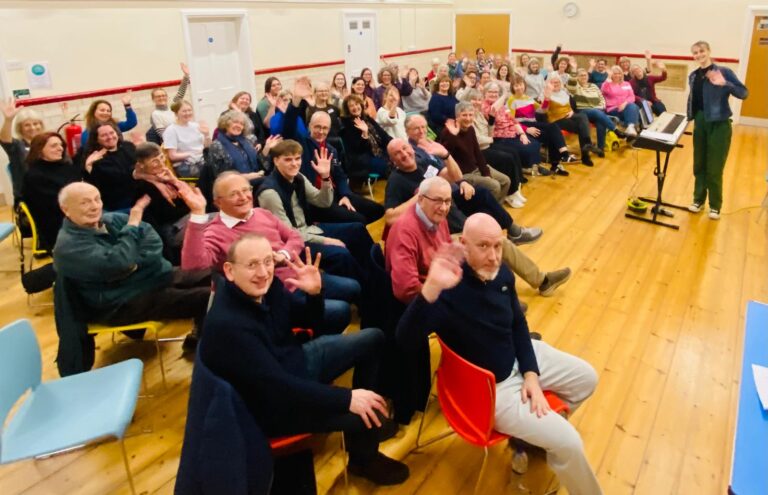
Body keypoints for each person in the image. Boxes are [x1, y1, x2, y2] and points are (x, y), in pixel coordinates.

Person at [397, 212, 600, 495]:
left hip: (518, 360)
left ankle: (527, 441)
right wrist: (430, 288)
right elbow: (404, 339)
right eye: (483, 247)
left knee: (587, 379)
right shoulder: (446, 289)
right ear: (464, 244)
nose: (493, 256)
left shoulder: (501, 272)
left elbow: (518, 324)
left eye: (498, 246)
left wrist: (531, 374)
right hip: (494, 389)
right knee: (571, 443)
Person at [198, 234, 409, 485]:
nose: (263, 272)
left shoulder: (269, 287)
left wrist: (314, 295)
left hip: (293, 365)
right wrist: (347, 398)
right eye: (252, 264)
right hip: (268, 406)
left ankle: (367, 426)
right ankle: (364, 456)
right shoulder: (228, 326)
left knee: (373, 339)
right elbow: (276, 388)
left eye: (267, 261)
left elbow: (310, 324)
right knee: (363, 412)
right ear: (230, 271)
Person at [180, 172, 360, 335]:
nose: (243, 197)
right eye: (234, 194)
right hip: (273, 296)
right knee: (340, 310)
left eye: (246, 190)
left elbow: (294, 237)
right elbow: (193, 264)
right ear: (218, 202)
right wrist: (197, 214)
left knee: (353, 287)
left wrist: (284, 254)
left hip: (298, 275)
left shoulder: (261, 213)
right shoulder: (215, 232)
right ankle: (307, 342)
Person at [53, 182, 209, 360]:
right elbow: (120, 263)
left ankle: (199, 337)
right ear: (65, 209)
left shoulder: (112, 220)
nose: (94, 206)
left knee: (216, 278)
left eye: (97, 199)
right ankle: (205, 353)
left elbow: (152, 240)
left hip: (152, 278)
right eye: (85, 202)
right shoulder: (68, 247)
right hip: (121, 302)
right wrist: (132, 226)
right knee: (208, 297)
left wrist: (132, 265)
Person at [387, 134, 542, 246]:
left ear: (411, 148)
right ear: (393, 161)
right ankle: (485, 243)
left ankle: (514, 232)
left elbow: (454, 176)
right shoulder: (396, 181)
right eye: (397, 153)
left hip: (451, 199)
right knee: (470, 220)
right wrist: (423, 195)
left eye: (405, 148)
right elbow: (390, 218)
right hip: (436, 214)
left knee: (482, 195)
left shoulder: (423, 162)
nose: (404, 154)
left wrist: (446, 156)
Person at [257, 139, 373, 283]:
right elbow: (289, 234)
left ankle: (372, 276)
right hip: (294, 244)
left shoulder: (298, 177)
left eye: (297, 158)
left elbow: (323, 202)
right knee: (341, 254)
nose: (294, 163)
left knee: (357, 229)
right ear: (276, 161)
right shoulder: (269, 193)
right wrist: (327, 240)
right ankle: (364, 290)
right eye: (288, 160)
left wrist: (325, 177)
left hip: (309, 230)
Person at [284, 78, 384, 225]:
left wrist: (345, 195)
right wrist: (296, 101)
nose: (321, 131)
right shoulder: (302, 145)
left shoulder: (331, 149)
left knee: (377, 210)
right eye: (317, 127)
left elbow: (340, 175)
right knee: (359, 220)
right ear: (309, 126)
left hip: (336, 194)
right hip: (317, 199)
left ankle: (345, 230)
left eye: (325, 128)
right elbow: (288, 127)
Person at [687, 40, 748, 220]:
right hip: (700, 122)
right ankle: (698, 200)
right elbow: (694, 100)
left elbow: (743, 93)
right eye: (695, 52)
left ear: (709, 51)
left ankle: (715, 205)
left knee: (714, 166)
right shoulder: (693, 75)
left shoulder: (724, 72)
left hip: (719, 123)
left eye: (701, 51)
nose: (699, 55)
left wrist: (725, 84)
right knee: (699, 164)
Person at [441, 102, 513, 205]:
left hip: (476, 168)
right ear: (457, 116)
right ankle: (488, 211)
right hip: (462, 174)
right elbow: (445, 155)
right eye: (464, 115)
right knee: (495, 186)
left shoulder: (470, 129)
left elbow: (477, 152)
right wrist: (453, 136)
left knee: (506, 181)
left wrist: (486, 173)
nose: (468, 118)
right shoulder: (448, 132)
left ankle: (496, 209)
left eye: (471, 115)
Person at [132, 142, 193, 263]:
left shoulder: (165, 176)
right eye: (154, 161)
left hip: (183, 218)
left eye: (161, 157)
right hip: (171, 229)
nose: (161, 163)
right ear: (142, 165)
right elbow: (167, 214)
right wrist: (190, 206)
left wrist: (175, 182)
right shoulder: (144, 186)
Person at [22, 132, 84, 251]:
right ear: (40, 150)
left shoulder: (63, 166)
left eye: (61, 145)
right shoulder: (34, 176)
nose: (60, 148)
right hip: (57, 227)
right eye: (54, 146)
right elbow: (55, 206)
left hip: (74, 215)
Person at [507, 76, 577, 176]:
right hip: (522, 126)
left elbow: (542, 110)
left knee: (553, 131)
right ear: (512, 87)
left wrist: (547, 98)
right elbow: (511, 121)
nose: (519, 87)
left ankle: (557, 163)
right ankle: (563, 156)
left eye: (521, 84)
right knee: (552, 129)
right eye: (516, 85)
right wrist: (526, 129)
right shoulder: (511, 100)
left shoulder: (528, 98)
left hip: (533, 123)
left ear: (524, 85)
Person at [541, 76, 601, 165]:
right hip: (557, 119)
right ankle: (586, 154)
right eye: (553, 82)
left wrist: (572, 111)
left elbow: (572, 106)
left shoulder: (564, 92)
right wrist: (547, 98)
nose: (556, 84)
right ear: (549, 84)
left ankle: (586, 150)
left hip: (569, 116)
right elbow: (543, 110)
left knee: (582, 117)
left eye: (557, 82)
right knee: (582, 126)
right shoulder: (546, 94)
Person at [83, 122, 138, 211]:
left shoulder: (128, 146)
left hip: (139, 196)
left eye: (112, 133)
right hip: (118, 205)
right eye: (104, 135)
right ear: (96, 139)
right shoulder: (95, 158)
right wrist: (89, 167)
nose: (109, 137)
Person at [1, 98, 45, 204]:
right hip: (28, 197)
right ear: (20, 128)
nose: (33, 127)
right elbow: (4, 139)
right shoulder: (17, 147)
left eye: (36, 123)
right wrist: (8, 120)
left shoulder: (47, 142)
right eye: (27, 125)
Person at [569, 69, 626, 151]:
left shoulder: (594, 86)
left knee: (600, 121)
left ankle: (600, 148)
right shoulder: (575, 87)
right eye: (581, 75)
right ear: (577, 77)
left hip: (597, 111)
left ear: (588, 77)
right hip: (583, 111)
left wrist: (601, 107)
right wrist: (574, 69)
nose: (583, 77)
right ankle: (615, 130)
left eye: (585, 75)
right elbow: (571, 83)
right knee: (596, 112)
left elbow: (601, 98)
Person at [339, 94, 391, 178]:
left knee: (398, 156)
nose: (355, 107)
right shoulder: (347, 125)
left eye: (357, 104)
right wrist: (365, 133)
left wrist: (394, 144)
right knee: (390, 165)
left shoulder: (366, 118)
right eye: (351, 106)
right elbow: (358, 150)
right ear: (347, 110)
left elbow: (383, 135)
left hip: (380, 153)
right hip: (364, 160)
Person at [163, 100, 210, 178]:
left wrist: (206, 135)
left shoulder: (195, 126)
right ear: (176, 113)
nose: (188, 113)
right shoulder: (171, 130)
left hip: (201, 160)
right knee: (211, 172)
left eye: (189, 110)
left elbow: (207, 147)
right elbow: (172, 156)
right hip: (184, 165)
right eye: (184, 111)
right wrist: (191, 154)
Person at [148, 62, 190, 142]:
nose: (161, 98)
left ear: (167, 97)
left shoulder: (172, 107)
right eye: (158, 96)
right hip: (171, 143)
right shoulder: (155, 114)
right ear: (153, 99)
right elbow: (163, 135)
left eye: (163, 95)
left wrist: (186, 76)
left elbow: (180, 93)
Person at [601, 66, 641, 137]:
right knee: (634, 109)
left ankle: (630, 127)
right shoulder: (607, 84)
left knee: (633, 106)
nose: (617, 75)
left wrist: (625, 104)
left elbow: (632, 97)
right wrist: (608, 78)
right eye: (615, 73)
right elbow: (603, 90)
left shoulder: (626, 84)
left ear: (621, 74)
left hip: (627, 107)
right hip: (613, 109)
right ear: (611, 75)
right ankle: (631, 129)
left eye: (619, 73)